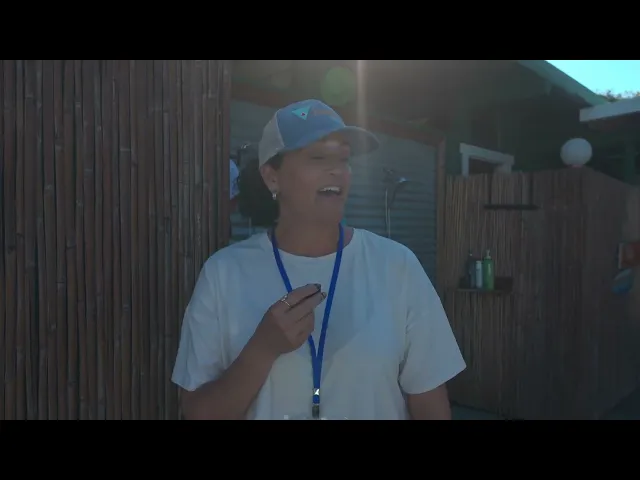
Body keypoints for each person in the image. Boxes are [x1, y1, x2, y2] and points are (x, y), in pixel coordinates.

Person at [171, 99, 466, 420]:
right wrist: (262, 350)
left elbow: (430, 404)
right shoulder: (223, 274)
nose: (337, 171)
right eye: (318, 157)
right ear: (272, 177)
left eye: (343, 159)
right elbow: (197, 412)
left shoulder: (398, 267)